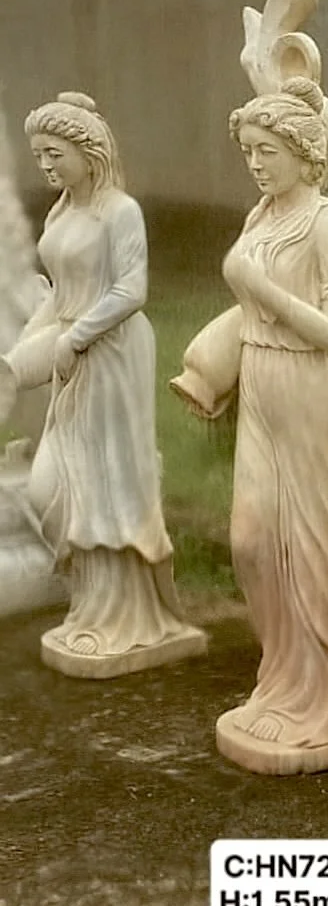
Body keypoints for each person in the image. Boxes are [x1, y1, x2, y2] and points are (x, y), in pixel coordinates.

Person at [186, 79, 328, 770]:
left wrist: (263, 293)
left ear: (303, 153)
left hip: (312, 386)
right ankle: (281, 681)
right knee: (252, 540)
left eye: (268, 150)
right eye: (249, 151)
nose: (255, 163)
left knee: (313, 548)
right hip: (262, 381)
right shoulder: (260, 218)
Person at [8, 92, 205, 675]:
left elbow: (131, 290)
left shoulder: (120, 212)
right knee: (52, 484)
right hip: (72, 350)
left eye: (54, 153)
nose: (44, 165)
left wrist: (75, 335)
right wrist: (24, 350)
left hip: (113, 350)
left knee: (108, 480)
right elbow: (54, 292)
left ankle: (126, 616)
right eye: (38, 154)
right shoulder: (61, 210)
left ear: (87, 151)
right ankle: (91, 605)